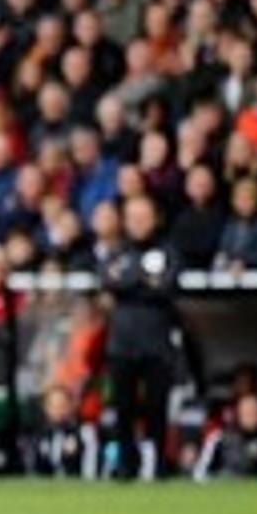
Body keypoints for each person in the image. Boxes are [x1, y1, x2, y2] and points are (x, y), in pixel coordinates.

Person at [102, 196, 181, 480]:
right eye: (133, 217)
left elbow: (166, 286)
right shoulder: (117, 251)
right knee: (123, 408)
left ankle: (159, 463)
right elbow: (109, 281)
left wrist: (130, 281)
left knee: (156, 407)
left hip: (157, 341)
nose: (138, 223)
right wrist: (143, 280)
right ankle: (127, 464)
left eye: (143, 216)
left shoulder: (167, 250)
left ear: (154, 219)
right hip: (122, 342)